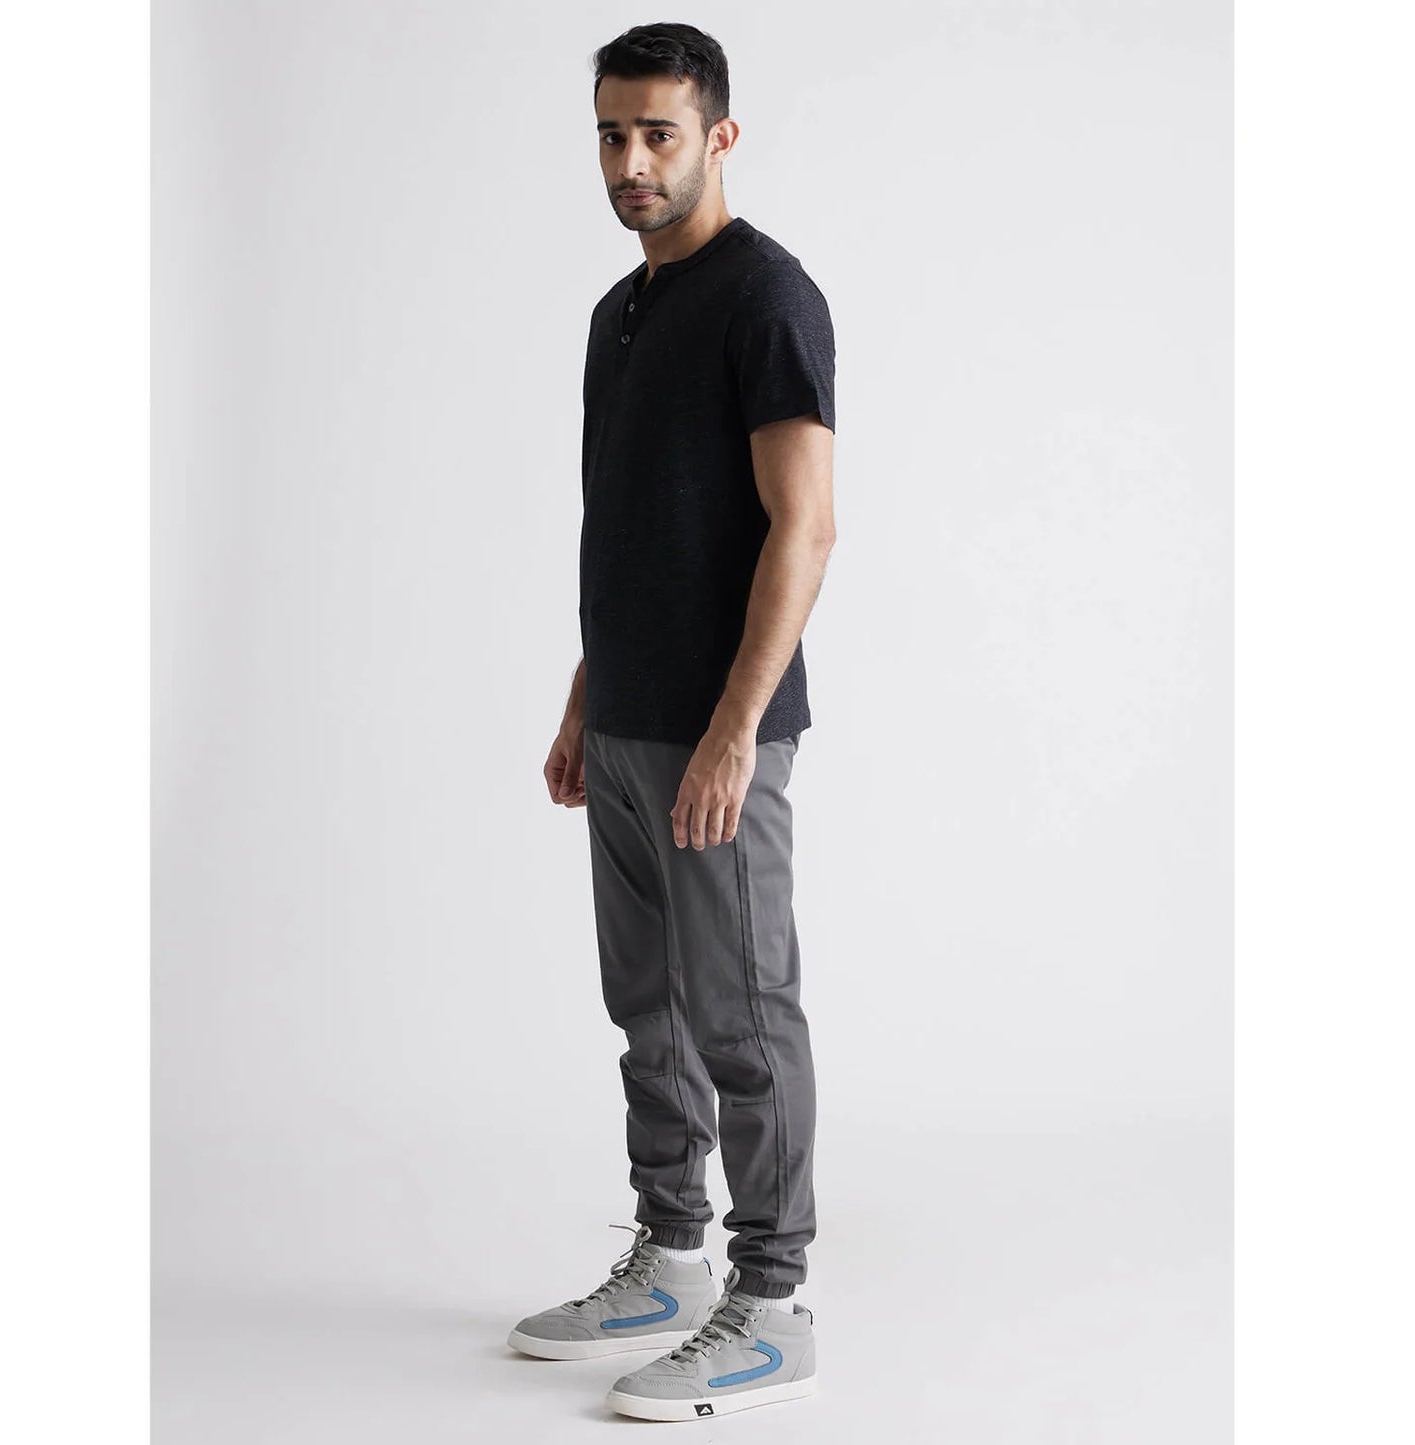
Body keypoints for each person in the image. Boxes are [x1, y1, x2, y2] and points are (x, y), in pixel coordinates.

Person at [507, 22, 837, 1423]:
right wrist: (589, 695)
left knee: (741, 1015)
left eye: (659, 133)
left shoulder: (767, 296)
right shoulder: (619, 313)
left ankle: (772, 1303)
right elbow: (626, 524)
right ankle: (669, 1254)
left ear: (719, 137)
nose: (632, 160)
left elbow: (803, 528)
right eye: (612, 133)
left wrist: (731, 729)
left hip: (718, 734)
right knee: (646, 1008)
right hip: (629, 720)